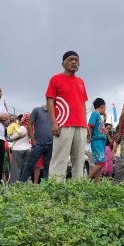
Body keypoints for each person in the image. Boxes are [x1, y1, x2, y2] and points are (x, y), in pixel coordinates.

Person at [46, 51, 90, 182]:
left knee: (79, 159)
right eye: (71, 59)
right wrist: (53, 123)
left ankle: (78, 189)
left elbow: (82, 103)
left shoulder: (81, 81)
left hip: (80, 125)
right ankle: (56, 189)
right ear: (63, 63)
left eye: (76, 60)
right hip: (63, 124)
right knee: (60, 158)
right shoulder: (55, 79)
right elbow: (50, 102)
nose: (74, 62)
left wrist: (86, 124)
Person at [20, 101, 53, 183]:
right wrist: (33, 139)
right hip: (38, 144)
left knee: (47, 166)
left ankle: (46, 187)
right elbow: (29, 124)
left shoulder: (54, 112)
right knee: (30, 165)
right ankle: (19, 186)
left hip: (50, 144)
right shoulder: (37, 110)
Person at [86, 98, 108, 184]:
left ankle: (97, 183)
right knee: (101, 163)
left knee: (99, 163)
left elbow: (101, 128)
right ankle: (86, 180)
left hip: (101, 141)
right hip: (97, 140)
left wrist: (104, 120)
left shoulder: (99, 117)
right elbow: (90, 125)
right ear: (102, 106)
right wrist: (90, 136)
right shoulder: (94, 114)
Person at [8, 113, 31, 183]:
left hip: (18, 149)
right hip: (27, 149)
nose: (18, 121)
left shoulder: (22, 128)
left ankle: (14, 185)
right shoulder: (31, 127)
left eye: (19, 119)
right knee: (24, 169)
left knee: (16, 169)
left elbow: (12, 137)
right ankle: (24, 185)